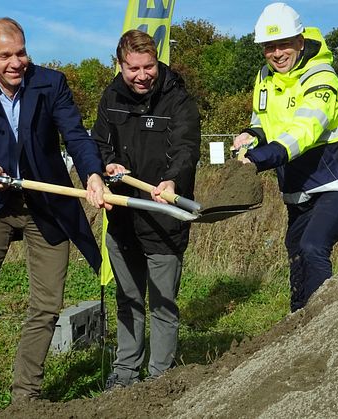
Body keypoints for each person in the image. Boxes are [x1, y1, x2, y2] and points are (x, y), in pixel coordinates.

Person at [0, 17, 110, 418]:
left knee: (47, 301)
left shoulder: (51, 83)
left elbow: (75, 134)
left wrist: (91, 172)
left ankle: (26, 395)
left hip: (47, 203)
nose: (16, 62)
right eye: (5, 55)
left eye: (21, 52)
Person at [233, 3, 338, 313]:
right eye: (269, 46)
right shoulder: (265, 76)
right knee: (295, 250)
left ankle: (324, 322)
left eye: (284, 44)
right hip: (297, 188)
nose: (277, 53)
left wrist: (261, 158)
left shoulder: (322, 77)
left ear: (300, 41)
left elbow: (305, 130)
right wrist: (249, 137)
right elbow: (262, 121)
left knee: (312, 248)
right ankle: (297, 320)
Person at [91, 29, 201, 389]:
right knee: (128, 298)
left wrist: (171, 181)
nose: (142, 75)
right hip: (122, 216)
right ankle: (125, 373)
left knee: (163, 304)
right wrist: (107, 165)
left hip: (163, 218)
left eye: (149, 66)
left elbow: (186, 148)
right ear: (120, 65)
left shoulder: (178, 100)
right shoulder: (111, 97)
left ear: (157, 61)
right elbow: (99, 144)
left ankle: (159, 380)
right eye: (133, 68)